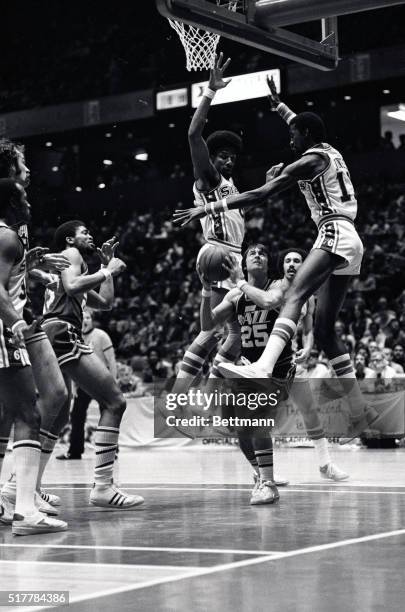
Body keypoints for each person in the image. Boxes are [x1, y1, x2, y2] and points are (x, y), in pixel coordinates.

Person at [174, 78, 381, 438]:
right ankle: (358, 409)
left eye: (293, 134)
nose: (289, 141)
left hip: (332, 231)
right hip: (337, 240)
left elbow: (264, 193)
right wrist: (280, 107)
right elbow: (197, 136)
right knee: (312, 330)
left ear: (304, 135)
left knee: (292, 297)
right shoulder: (327, 151)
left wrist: (213, 205)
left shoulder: (309, 160)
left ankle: (261, 368)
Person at [200, 243, 348, 505]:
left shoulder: (281, 285)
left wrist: (240, 282)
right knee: (242, 431)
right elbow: (208, 324)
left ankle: (271, 482)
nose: (257, 255)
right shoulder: (235, 296)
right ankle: (261, 475)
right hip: (247, 366)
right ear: (243, 263)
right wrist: (206, 289)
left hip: (280, 367)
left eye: (263, 253)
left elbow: (269, 302)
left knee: (261, 421)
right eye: (252, 253)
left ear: (270, 264)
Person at [41, 220, 144, 509]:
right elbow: (74, 287)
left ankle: (20, 487)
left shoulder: (72, 265)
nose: (91, 234)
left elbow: (107, 303)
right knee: (114, 402)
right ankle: (103, 486)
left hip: (50, 333)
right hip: (62, 330)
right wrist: (107, 270)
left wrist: (106, 264)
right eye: (84, 232)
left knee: (57, 415)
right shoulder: (71, 256)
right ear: (70, 241)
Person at [0, 139, 70, 518]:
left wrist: (34, 264)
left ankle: (19, 490)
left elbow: (9, 266)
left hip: (19, 312)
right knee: (43, 401)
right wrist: (16, 322)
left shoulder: (17, 218)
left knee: (27, 406)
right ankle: (21, 494)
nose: (29, 171)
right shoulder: (8, 216)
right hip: (14, 319)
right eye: (23, 165)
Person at [172, 52, 244, 393]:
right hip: (220, 255)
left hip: (231, 255)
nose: (228, 160)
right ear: (212, 160)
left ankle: (212, 392)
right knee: (216, 329)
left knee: (234, 331)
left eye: (232, 157)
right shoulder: (210, 178)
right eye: (222, 156)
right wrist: (210, 92)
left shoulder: (231, 187)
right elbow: (192, 135)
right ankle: (179, 395)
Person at [57, 309, 117, 460]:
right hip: (84, 383)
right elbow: (74, 364)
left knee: (109, 413)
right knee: (77, 415)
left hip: (103, 381)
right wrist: (74, 386)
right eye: (82, 318)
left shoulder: (101, 335)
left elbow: (112, 361)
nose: (85, 321)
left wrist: (114, 383)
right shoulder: (75, 337)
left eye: (88, 318)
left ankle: (112, 450)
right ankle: (75, 451)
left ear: (92, 320)